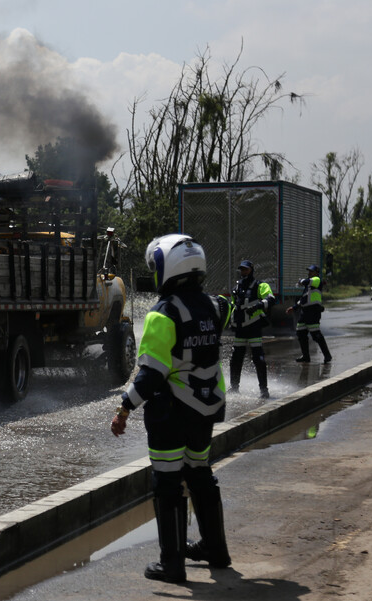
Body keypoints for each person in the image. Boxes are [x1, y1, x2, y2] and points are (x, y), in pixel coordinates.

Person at [111, 233, 233, 583]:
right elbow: (231, 310)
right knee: (199, 473)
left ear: (169, 269)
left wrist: (124, 408)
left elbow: (151, 375)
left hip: (172, 412)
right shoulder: (214, 306)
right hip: (207, 409)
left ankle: (172, 564)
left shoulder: (161, 315)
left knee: (167, 482)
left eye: (156, 267)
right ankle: (215, 550)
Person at [229, 260, 276, 398]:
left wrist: (258, 306)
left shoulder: (260, 285)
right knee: (235, 359)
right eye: (242, 270)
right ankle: (234, 388)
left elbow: (271, 299)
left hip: (254, 326)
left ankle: (264, 390)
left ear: (251, 270)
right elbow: (234, 306)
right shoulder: (237, 287)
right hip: (240, 327)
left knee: (258, 359)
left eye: (246, 269)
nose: (243, 272)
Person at [286, 265, 332, 363]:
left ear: (316, 272)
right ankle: (306, 357)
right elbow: (303, 299)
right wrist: (294, 308)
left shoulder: (317, 280)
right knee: (300, 333)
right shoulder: (308, 286)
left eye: (311, 271)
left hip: (313, 311)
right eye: (309, 271)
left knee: (316, 335)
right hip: (305, 312)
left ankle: (327, 355)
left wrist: (301, 281)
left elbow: (306, 281)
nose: (309, 273)